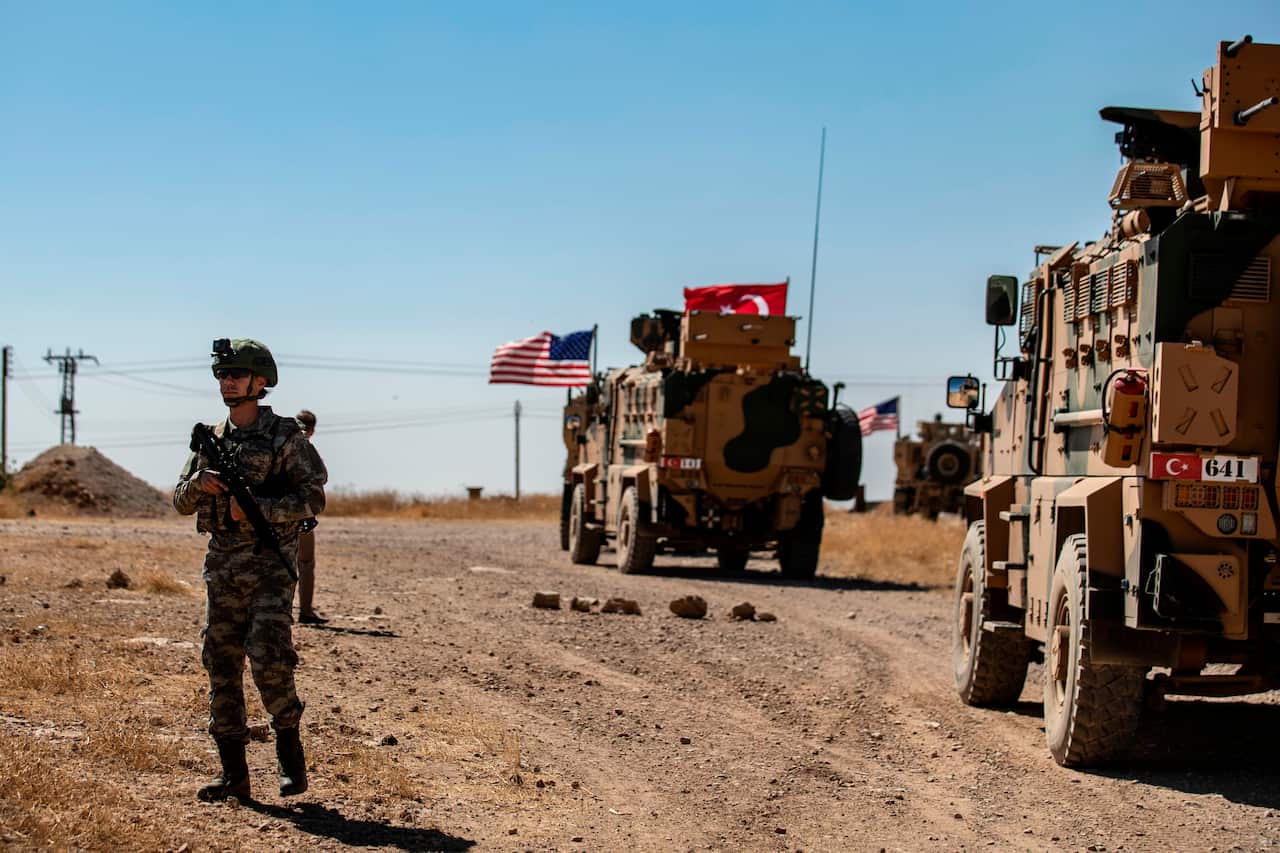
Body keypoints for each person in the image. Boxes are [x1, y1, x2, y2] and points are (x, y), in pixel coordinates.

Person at [173, 338, 327, 802]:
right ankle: (233, 774)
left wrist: (257, 507)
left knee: (269, 658)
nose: (229, 381)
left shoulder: (285, 436)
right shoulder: (211, 438)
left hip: (269, 570)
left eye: (237, 374)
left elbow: (313, 497)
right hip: (222, 570)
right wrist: (198, 485)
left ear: (260, 382)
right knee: (220, 665)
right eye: (223, 374)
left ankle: (289, 757)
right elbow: (179, 501)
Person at [293, 408, 327, 624]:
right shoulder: (307, 447)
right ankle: (305, 610)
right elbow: (322, 476)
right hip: (301, 513)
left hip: (275, 512)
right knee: (304, 563)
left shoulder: (279, 444)